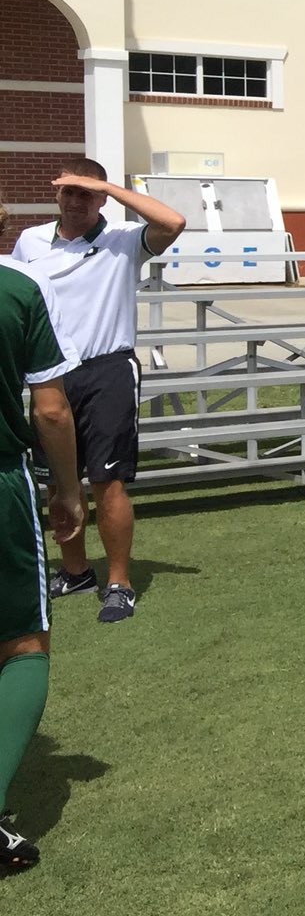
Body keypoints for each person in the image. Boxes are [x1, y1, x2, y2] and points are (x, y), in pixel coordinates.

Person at [11, 163, 186, 623]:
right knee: (56, 482)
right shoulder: (29, 241)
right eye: (68, 192)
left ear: (101, 199)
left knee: (107, 481)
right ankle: (75, 571)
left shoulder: (124, 240)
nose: (74, 201)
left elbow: (173, 223)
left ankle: (118, 582)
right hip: (51, 374)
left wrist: (107, 184)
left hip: (108, 369)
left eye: (86, 194)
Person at [0, 255, 83, 870]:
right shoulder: (19, 287)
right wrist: (67, 487)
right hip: (0, 481)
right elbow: (50, 408)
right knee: (24, 645)